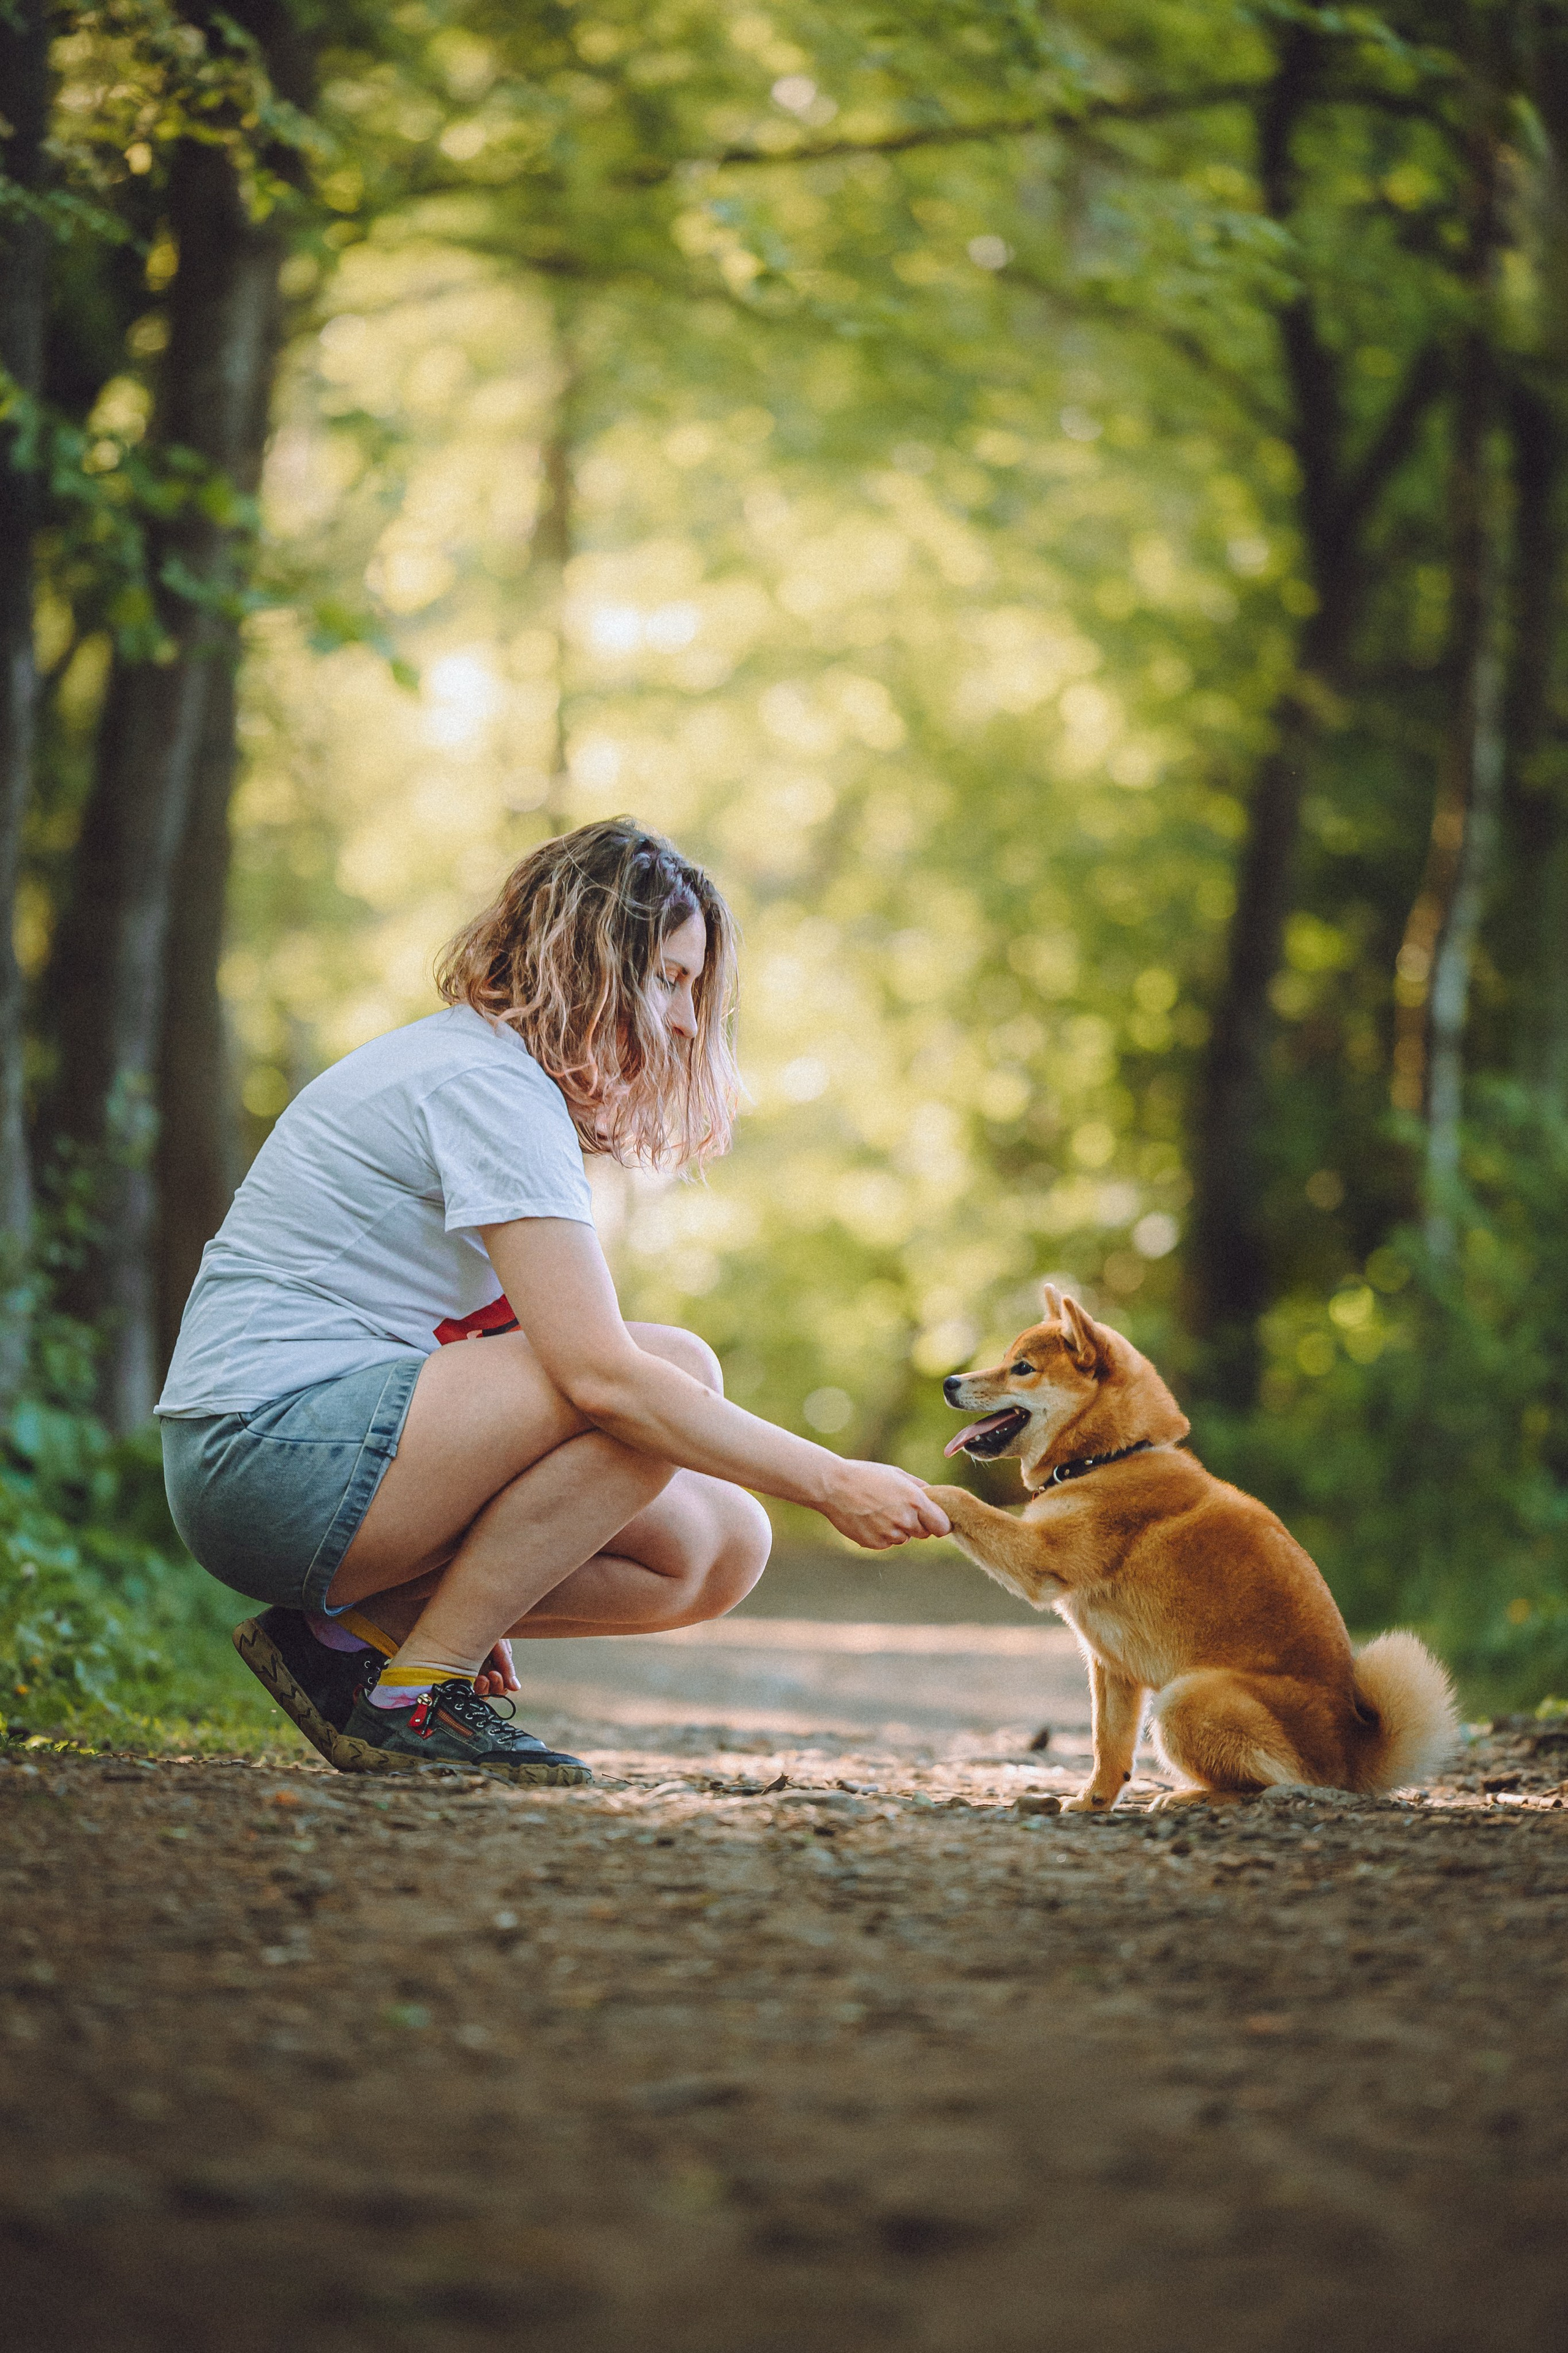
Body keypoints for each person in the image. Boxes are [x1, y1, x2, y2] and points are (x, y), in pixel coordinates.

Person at [159, 818, 950, 1783]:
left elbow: (529, 1358)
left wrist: (483, 1584)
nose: (688, 1020)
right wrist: (832, 1481)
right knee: (662, 1375)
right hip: (263, 1457)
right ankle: (418, 1693)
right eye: (668, 979)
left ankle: (359, 1639)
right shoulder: (486, 1083)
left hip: (331, 1453)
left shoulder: (508, 1086)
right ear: (591, 963)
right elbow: (601, 1378)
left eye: (694, 987)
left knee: (718, 1543)